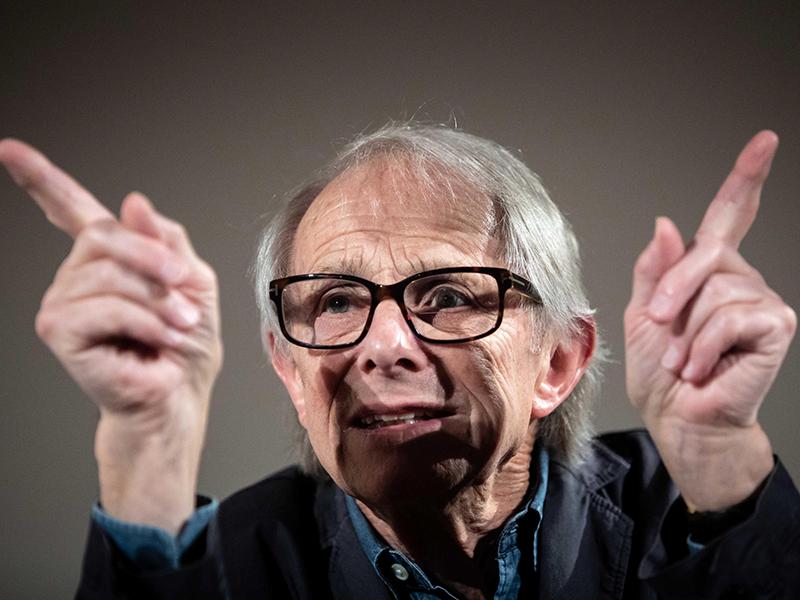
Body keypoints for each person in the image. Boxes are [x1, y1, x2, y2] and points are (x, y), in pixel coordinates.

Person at [1, 123, 798, 599]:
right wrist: (150, 443)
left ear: (557, 362)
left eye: (448, 295)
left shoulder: (694, 512)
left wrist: (719, 452)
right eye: (335, 302)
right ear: (289, 369)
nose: (384, 347)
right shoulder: (230, 564)